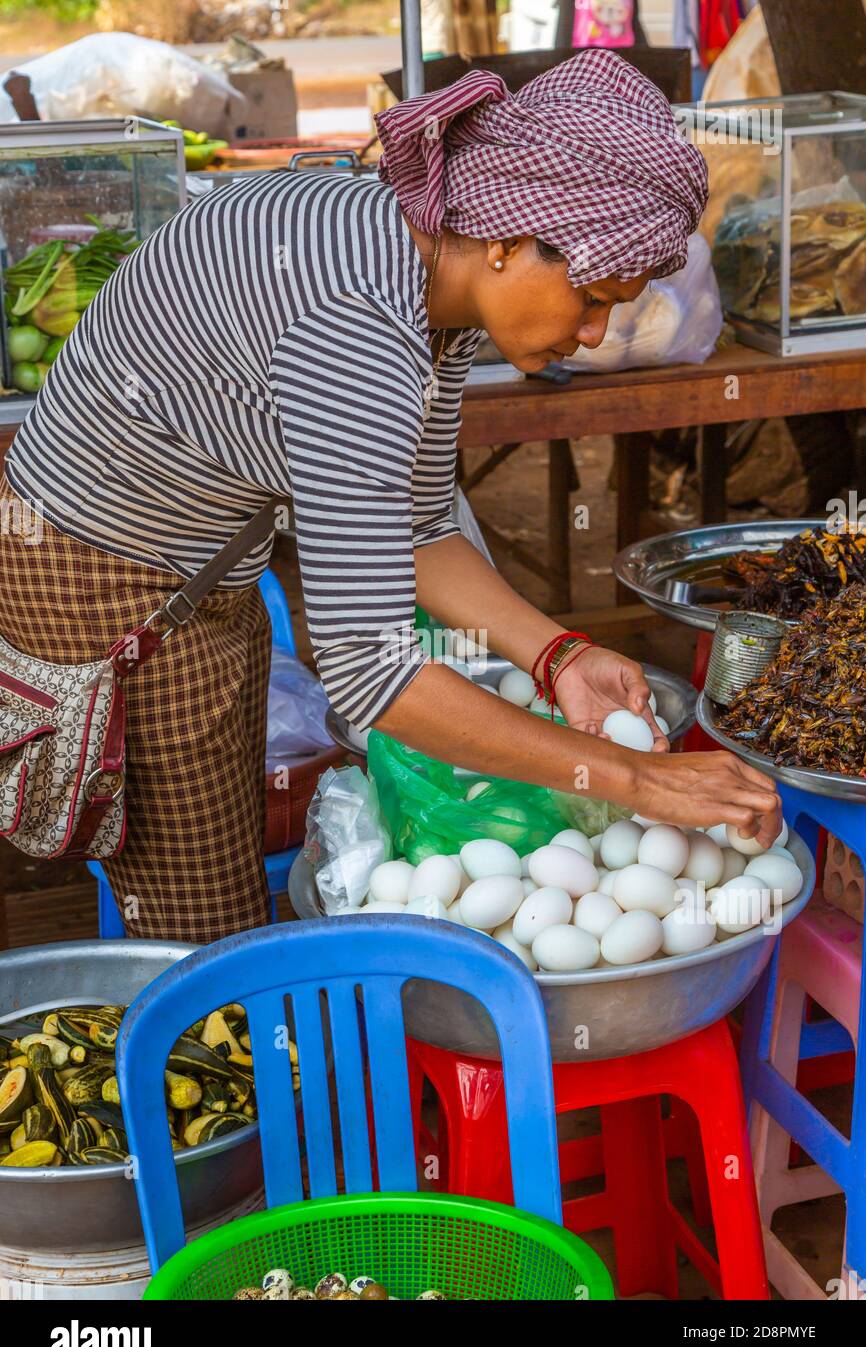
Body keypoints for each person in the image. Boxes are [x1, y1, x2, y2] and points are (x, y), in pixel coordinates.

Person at [0, 49, 780, 942]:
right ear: (507, 238)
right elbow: (372, 672)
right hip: (112, 580)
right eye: (594, 298)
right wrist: (638, 782)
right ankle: (198, 1055)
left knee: (214, 849)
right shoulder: (361, 331)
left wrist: (558, 656)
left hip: (193, 562)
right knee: (203, 931)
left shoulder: (420, 267)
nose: (596, 333)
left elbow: (413, 525)